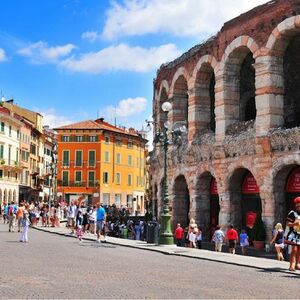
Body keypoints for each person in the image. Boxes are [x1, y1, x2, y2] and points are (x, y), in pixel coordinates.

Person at [286, 197, 300, 271]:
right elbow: (288, 224)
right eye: (298, 205)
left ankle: (298, 264)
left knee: (299, 250)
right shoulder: (292, 213)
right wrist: (295, 223)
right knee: (294, 249)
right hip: (294, 234)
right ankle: (292, 264)